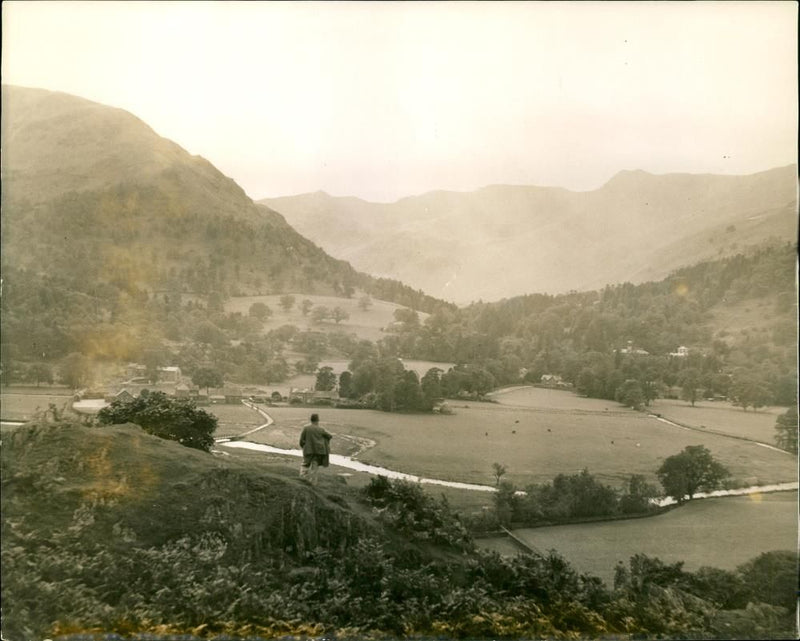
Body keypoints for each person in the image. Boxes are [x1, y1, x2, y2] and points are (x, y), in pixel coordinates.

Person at [299, 413, 332, 485]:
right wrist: (324, 441)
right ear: (317, 420)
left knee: (305, 465)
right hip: (319, 451)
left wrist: (304, 447)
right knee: (314, 468)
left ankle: (302, 481)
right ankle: (313, 484)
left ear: (311, 420)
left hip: (308, 451)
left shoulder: (306, 428)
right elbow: (330, 436)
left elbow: (301, 440)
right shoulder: (321, 429)